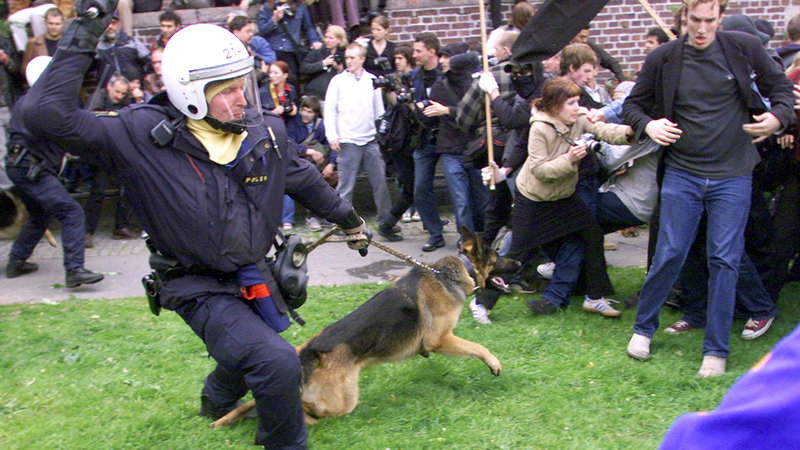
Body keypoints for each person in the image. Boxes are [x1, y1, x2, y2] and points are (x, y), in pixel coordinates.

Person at [22, 4, 370, 447]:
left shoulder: (264, 133)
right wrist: (88, 26)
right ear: (190, 92)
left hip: (252, 271)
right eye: (226, 90)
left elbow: (301, 178)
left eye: (243, 84)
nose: (242, 98)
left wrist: (351, 221)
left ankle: (214, 399)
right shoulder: (136, 135)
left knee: (250, 344)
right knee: (276, 361)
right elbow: (42, 114)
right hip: (193, 283)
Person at [623, 0, 794, 377]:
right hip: (682, 172)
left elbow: (781, 88)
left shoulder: (742, 48)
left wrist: (776, 119)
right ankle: (643, 330)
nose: (701, 29)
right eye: (695, 20)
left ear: (720, 17)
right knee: (669, 253)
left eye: (709, 21)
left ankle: (715, 350)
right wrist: (649, 126)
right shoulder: (665, 58)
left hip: (733, 174)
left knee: (725, 258)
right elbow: (632, 106)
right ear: (684, 17)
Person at [515, 77, 631, 318]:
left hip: (564, 195)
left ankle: (591, 297)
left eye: (578, 101)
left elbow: (605, 130)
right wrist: (569, 159)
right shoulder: (539, 127)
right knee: (517, 250)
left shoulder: (577, 118)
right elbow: (540, 171)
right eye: (571, 102)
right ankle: (482, 303)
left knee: (589, 235)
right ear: (555, 105)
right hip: (534, 197)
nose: (577, 107)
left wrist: (634, 132)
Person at [6, 55, 104, 287]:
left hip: (21, 166)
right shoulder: (44, 104)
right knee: (71, 212)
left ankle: (16, 261)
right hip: (32, 168)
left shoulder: (28, 101)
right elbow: (68, 133)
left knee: (39, 215)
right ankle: (74, 270)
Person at [324, 43, 392, 234]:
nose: (349, 61)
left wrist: (381, 135)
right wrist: (333, 136)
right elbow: (329, 110)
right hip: (348, 139)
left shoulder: (372, 81)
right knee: (346, 187)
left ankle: (386, 221)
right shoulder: (338, 81)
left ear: (362, 59)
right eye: (347, 57)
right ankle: (342, 222)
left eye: (353, 57)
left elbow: (379, 112)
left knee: (380, 184)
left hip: (370, 139)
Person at [420, 48, 487, 237]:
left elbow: (475, 117)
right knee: (460, 201)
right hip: (450, 149)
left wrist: (447, 111)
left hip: (477, 149)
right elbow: (435, 117)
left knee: (481, 199)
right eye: (441, 56)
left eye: (447, 57)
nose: (442, 61)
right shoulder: (440, 86)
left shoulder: (478, 85)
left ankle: (482, 236)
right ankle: (466, 242)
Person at [410, 32, 446, 252]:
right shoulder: (415, 76)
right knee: (420, 188)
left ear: (432, 51)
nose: (414, 55)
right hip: (424, 136)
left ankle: (466, 234)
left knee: (459, 188)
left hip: (448, 136)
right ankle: (435, 233)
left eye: (418, 50)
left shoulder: (446, 73)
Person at [258, 0, 322, 80]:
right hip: (274, 50)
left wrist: (314, 40)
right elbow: (261, 31)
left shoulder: (300, 6)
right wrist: (274, 20)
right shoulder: (268, 6)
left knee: (292, 80)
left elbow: (308, 27)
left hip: (292, 50)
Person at [299, 24, 346, 100]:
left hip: (335, 95)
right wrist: (322, 64)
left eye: (331, 38)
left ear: (339, 40)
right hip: (314, 93)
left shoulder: (345, 54)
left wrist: (340, 69)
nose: (327, 40)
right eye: (326, 37)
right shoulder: (317, 53)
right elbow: (304, 68)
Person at [22, 7, 63, 76]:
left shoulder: (68, 44)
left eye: (57, 24)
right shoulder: (33, 43)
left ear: (62, 24)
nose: (54, 27)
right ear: (45, 22)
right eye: (51, 23)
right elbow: (24, 69)